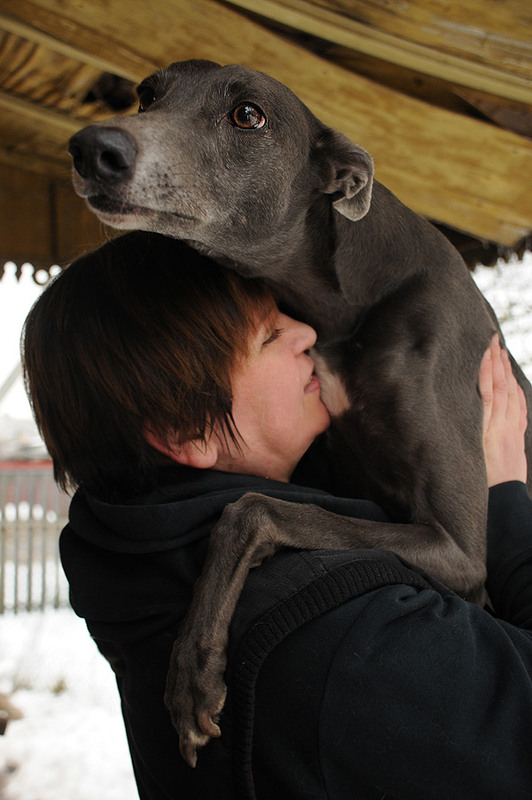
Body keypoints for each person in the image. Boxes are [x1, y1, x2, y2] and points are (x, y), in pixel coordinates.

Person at [22, 230, 532, 799]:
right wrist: (507, 503)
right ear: (184, 431)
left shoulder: (143, 576)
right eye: (269, 335)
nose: (307, 333)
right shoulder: (351, 635)